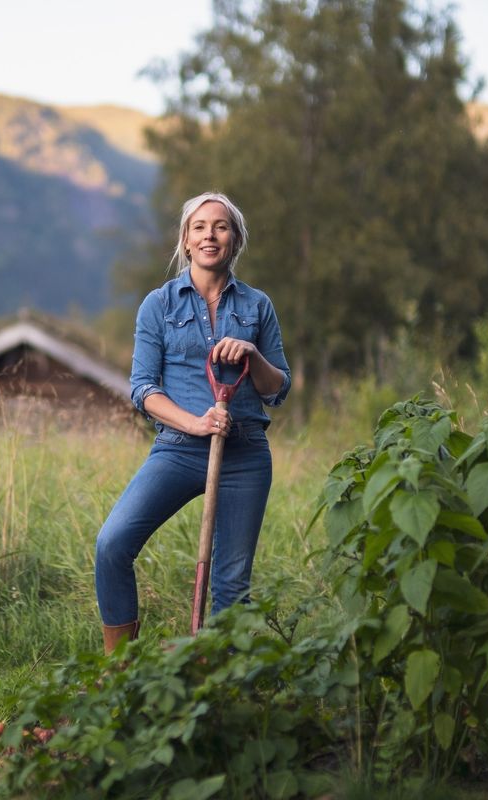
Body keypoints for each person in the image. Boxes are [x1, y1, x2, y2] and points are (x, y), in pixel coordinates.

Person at [94, 191, 292, 653]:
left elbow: (277, 389)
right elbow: (143, 390)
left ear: (235, 240)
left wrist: (252, 353)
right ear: (186, 240)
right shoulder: (158, 306)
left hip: (243, 453)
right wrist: (195, 424)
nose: (210, 234)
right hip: (179, 450)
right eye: (200, 227)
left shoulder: (258, 306)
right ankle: (118, 671)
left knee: (231, 584)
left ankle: (216, 688)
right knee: (112, 543)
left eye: (221, 226)